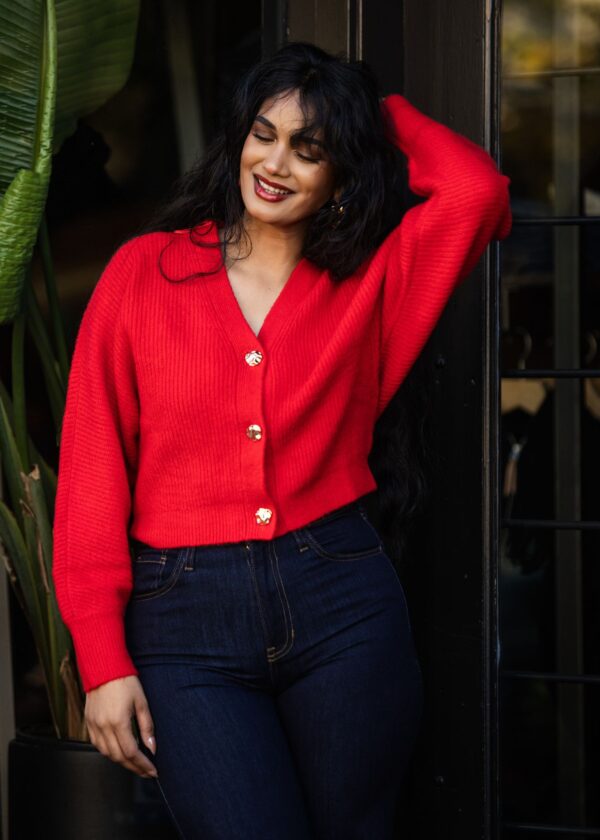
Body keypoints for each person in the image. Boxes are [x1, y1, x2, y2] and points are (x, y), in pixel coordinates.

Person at [52, 41, 512, 840]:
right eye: (263, 133)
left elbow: (475, 190)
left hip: (340, 601)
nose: (275, 163)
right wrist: (103, 662)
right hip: (182, 623)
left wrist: (373, 110)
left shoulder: (369, 283)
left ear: (343, 175)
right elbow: (93, 477)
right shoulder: (144, 274)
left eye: (311, 149)